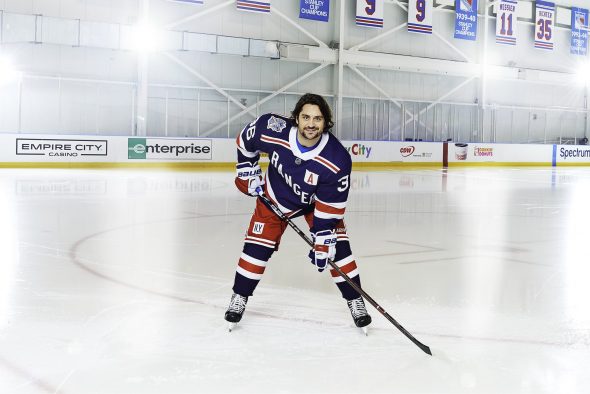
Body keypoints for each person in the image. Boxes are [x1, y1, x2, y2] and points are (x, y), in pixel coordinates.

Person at [224, 93, 372, 332]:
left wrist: (324, 240)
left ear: (326, 122)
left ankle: (355, 299)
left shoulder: (337, 160)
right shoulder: (271, 128)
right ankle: (239, 297)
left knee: (338, 249)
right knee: (256, 248)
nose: (311, 124)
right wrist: (246, 170)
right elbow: (245, 141)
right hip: (273, 196)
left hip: (315, 204)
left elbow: (330, 207)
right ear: (296, 118)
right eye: (305, 117)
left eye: (317, 119)